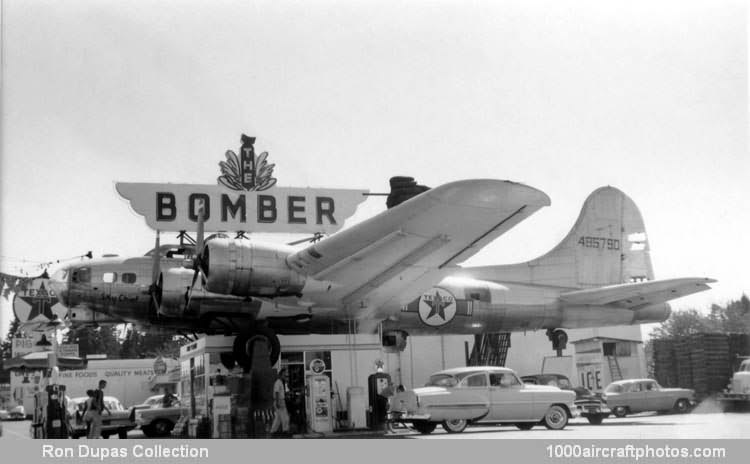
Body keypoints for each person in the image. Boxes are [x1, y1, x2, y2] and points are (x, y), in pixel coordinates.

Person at [269, 369, 290, 436]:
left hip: (279, 400)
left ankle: (273, 431)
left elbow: (279, 392)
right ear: (281, 374)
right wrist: (278, 402)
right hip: (280, 401)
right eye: (284, 374)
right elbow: (277, 392)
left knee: (278, 418)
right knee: (285, 417)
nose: (285, 375)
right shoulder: (278, 382)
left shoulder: (280, 382)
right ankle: (285, 431)